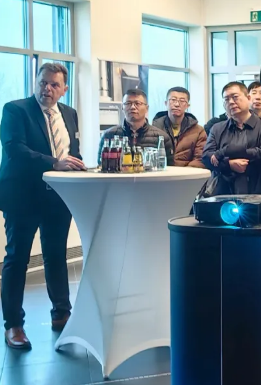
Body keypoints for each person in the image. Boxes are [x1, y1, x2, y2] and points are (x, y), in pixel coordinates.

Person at [0, 63, 86, 350]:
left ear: (64, 89)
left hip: (58, 197)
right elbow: (14, 149)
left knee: (56, 256)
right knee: (17, 259)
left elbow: (71, 151)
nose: (47, 89)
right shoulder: (15, 110)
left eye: (54, 84)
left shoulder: (69, 113)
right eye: (42, 82)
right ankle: (13, 324)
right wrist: (54, 163)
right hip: (22, 196)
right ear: (36, 82)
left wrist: (79, 167)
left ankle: (62, 313)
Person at [202, 82, 261, 195]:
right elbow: (207, 157)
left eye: (235, 97)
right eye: (226, 99)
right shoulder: (217, 129)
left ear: (248, 98)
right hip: (224, 191)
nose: (231, 102)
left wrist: (225, 153)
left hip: (258, 190)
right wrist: (229, 164)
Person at [99, 89, 174, 165]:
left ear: (147, 108)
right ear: (122, 107)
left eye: (137, 103)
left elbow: (170, 168)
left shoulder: (161, 137)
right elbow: (101, 165)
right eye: (128, 103)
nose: (132, 107)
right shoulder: (108, 135)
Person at [152, 87, 206, 168]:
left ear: (187, 106)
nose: (177, 104)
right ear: (166, 103)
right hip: (161, 173)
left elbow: (199, 159)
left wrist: (183, 173)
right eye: (173, 100)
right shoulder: (155, 128)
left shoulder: (198, 131)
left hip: (188, 174)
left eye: (182, 101)